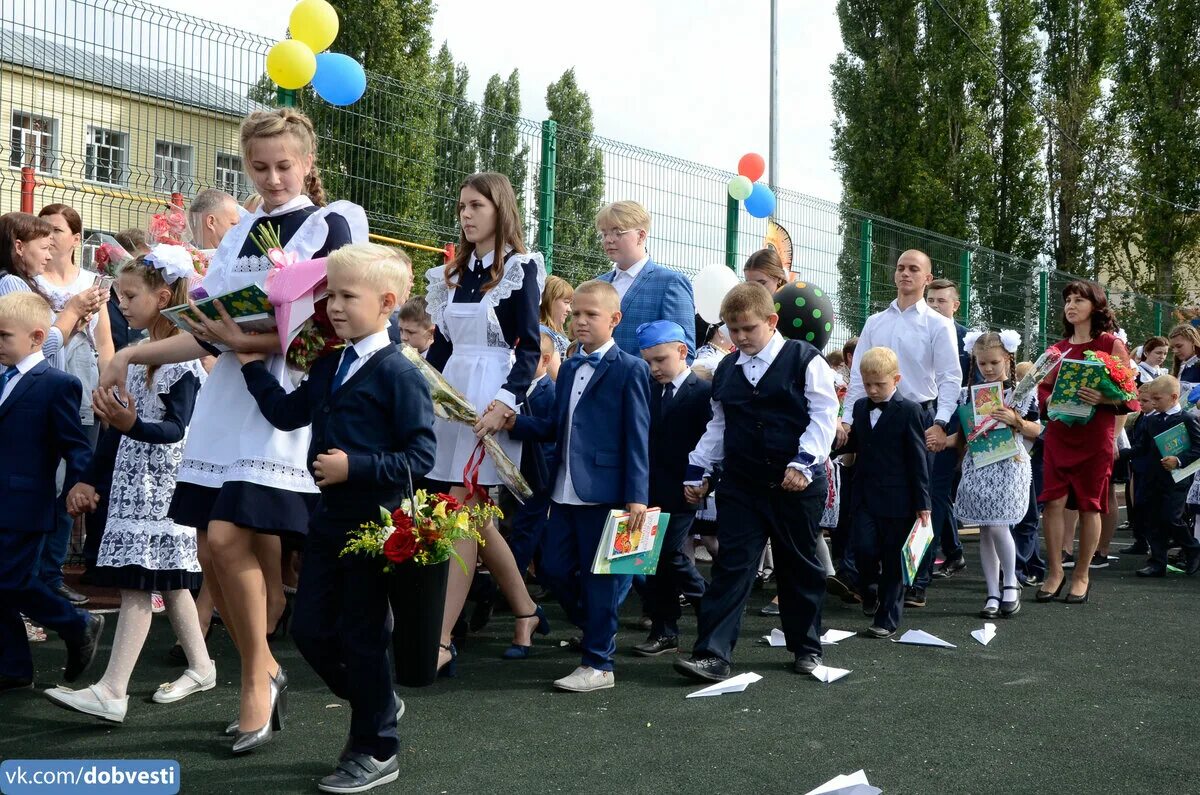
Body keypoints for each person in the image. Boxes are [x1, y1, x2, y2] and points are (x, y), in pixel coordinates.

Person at [99, 107, 368, 753]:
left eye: (283, 165)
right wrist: (129, 353)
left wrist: (239, 337)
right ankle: (263, 665)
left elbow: (325, 324)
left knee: (224, 535)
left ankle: (256, 674)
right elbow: (202, 328)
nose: (272, 178)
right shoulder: (242, 228)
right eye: (259, 166)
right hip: (228, 399)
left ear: (307, 163)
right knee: (218, 547)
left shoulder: (333, 221)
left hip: (283, 401)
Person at [239, 243, 434, 793]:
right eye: (330, 294)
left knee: (363, 636)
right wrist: (252, 368)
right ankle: (378, 701)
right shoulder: (331, 364)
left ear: (388, 302)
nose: (334, 306)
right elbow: (284, 412)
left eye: (347, 296)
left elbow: (419, 458)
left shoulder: (401, 373)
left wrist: (357, 466)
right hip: (328, 520)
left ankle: (377, 747)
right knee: (310, 630)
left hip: (375, 528)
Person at [47, 250, 212, 723]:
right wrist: (88, 477)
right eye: (118, 295)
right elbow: (113, 429)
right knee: (169, 582)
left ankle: (113, 690)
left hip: (162, 490)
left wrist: (131, 422)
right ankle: (201, 666)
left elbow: (176, 429)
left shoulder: (181, 361)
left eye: (130, 295)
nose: (120, 303)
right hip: (132, 484)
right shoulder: (136, 354)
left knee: (140, 583)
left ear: (164, 297)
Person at [674, 282, 840, 681]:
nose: (740, 337)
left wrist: (804, 463)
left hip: (795, 485)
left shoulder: (805, 359)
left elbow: (824, 415)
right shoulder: (727, 369)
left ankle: (806, 648)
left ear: (772, 321)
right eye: (732, 329)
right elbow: (719, 425)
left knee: (798, 567)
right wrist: (699, 469)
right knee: (731, 566)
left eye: (748, 328)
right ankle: (713, 654)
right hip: (743, 483)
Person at [424, 172, 548, 672]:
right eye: (461, 206)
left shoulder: (520, 268)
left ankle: (441, 637)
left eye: (476, 204)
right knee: (472, 517)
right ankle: (526, 609)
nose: (466, 214)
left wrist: (506, 403)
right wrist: (419, 386)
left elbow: (531, 347)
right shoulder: (451, 274)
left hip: (492, 400)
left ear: (500, 208)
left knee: (460, 508)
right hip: (453, 399)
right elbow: (442, 348)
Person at [506, 280, 651, 691]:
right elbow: (556, 426)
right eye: (577, 313)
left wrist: (637, 498)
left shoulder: (631, 369)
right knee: (552, 567)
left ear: (614, 320)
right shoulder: (568, 366)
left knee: (602, 576)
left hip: (606, 492)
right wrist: (516, 423)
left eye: (592, 314)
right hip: (563, 490)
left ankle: (599, 663)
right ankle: (596, 631)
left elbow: (638, 436)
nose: (581, 320)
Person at [840, 250, 961, 609]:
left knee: (921, 502)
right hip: (875, 419)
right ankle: (868, 579)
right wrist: (848, 420)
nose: (905, 274)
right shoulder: (875, 322)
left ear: (927, 278)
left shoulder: (939, 325)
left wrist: (940, 422)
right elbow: (860, 379)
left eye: (914, 269)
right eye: (900, 268)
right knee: (869, 497)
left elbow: (950, 378)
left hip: (919, 418)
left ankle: (917, 580)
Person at [0, 291, 104, 692]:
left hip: (25, 504)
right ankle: (13, 667)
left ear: (36, 337)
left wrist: (82, 482)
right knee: (4, 585)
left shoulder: (57, 384)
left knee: (9, 581)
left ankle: (77, 622)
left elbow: (75, 445)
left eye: (4, 336)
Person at [1036, 281, 1136, 604]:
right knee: (1053, 502)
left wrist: (1104, 398)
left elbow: (1129, 395)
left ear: (1096, 306)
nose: (1071, 304)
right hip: (1060, 435)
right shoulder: (1057, 349)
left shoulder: (1110, 345)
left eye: (1079, 299)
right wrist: (1049, 399)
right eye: (1068, 300)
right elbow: (1040, 390)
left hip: (1095, 437)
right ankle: (1055, 571)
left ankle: (1082, 574)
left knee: (1091, 504)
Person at [837, 347, 930, 638]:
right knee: (863, 549)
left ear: (897, 379)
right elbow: (857, 446)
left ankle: (887, 617)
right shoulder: (861, 408)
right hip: (864, 494)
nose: (873, 390)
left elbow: (918, 459)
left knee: (893, 559)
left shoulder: (911, 410)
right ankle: (869, 590)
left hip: (899, 499)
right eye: (867, 384)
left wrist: (923, 503)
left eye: (880, 384)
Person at [631, 320, 710, 658]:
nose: (654, 368)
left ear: (682, 351)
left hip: (684, 492)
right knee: (649, 561)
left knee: (668, 555)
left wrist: (707, 482)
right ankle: (666, 630)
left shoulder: (703, 393)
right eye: (648, 361)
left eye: (660, 360)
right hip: (647, 491)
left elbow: (714, 440)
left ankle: (710, 606)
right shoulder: (646, 389)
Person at [949, 331, 1040, 619]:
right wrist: (946, 439)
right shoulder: (968, 394)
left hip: (1009, 464)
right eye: (982, 363)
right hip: (980, 464)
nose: (987, 369)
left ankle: (1010, 584)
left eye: (993, 363)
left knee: (999, 525)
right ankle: (992, 591)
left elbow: (1038, 430)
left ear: (1007, 360)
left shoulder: (1021, 393)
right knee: (986, 528)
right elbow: (964, 434)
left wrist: (1016, 420)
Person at [594, 201, 695, 359]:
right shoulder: (597, 285)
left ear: (641, 235)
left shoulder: (670, 282)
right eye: (604, 233)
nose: (608, 240)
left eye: (618, 232)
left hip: (645, 382)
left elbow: (684, 352)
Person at [0, 212, 102, 366]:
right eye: (44, 248)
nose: (48, 257)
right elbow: (37, 346)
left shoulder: (22, 282)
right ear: (19, 247)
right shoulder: (11, 283)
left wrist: (73, 326)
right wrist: (72, 311)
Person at [502, 331, 558, 592]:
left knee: (525, 529)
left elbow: (551, 433)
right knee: (513, 525)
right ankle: (542, 576)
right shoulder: (510, 388)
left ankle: (510, 585)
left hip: (538, 474)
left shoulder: (551, 392)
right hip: (512, 469)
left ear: (545, 360)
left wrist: (517, 424)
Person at [923, 278, 970, 581]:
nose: (936, 306)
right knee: (931, 491)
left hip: (951, 425)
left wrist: (961, 436)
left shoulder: (968, 341)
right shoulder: (918, 332)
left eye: (942, 301)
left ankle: (923, 568)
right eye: (931, 300)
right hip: (921, 418)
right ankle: (953, 551)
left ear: (955, 305)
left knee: (936, 490)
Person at [1132, 376, 1200, 577]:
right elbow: (1142, 447)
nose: (1153, 403)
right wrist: (1121, 453)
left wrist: (1178, 460)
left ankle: (1192, 547)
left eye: (1157, 399)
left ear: (1173, 397)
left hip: (1177, 479)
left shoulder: (1187, 419)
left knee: (1171, 517)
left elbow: (1198, 447)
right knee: (1152, 519)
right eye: (1150, 399)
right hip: (1153, 477)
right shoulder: (1151, 420)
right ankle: (1157, 562)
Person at [539, 274, 573, 366]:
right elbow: (556, 376)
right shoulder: (543, 333)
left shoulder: (556, 333)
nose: (570, 310)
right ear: (549, 301)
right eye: (566, 303)